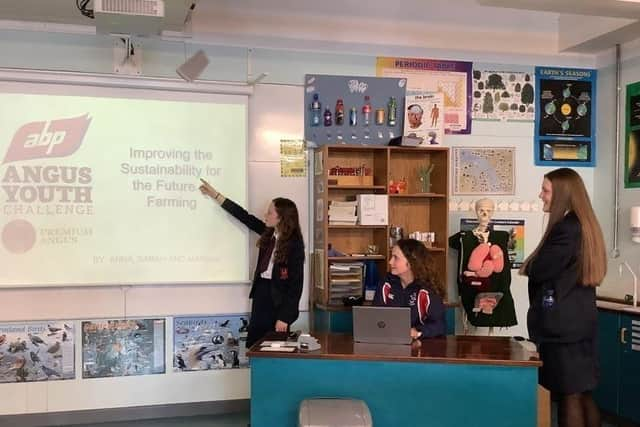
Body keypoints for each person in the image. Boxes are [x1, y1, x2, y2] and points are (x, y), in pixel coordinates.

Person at [520, 168, 606, 427]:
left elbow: (541, 268)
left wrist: (529, 264)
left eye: (546, 191)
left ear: (562, 195)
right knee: (580, 393)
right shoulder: (583, 224)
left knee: (569, 396)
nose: (541, 195)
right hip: (577, 323)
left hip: (563, 328)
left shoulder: (566, 229)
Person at [199, 179, 305, 348]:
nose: (266, 214)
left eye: (270, 212)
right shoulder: (269, 233)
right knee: (256, 343)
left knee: (275, 347)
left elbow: (296, 285)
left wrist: (285, 317)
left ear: (281, 218)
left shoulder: (295, 244)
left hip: (278, 301)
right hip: (262, 292)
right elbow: (244, 216)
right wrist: (215, 195)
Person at [448, 198, 517, 328]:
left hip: (496, 288)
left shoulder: (501, 237)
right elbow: (449, 245)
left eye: (488, 211)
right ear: (476, 212)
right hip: (472, 287)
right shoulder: (464, 237)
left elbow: (504, 269)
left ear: (492, 212)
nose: (485, 214)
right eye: (481, 210)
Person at [373, 239, 446, 339]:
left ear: (411, 261)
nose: (390, 262)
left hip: (422, 346)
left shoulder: (427, 288)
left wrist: (417, 332)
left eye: (396, 258)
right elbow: (375, 317)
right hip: (389, 341)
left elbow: (439, 325)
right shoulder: (386, 283)